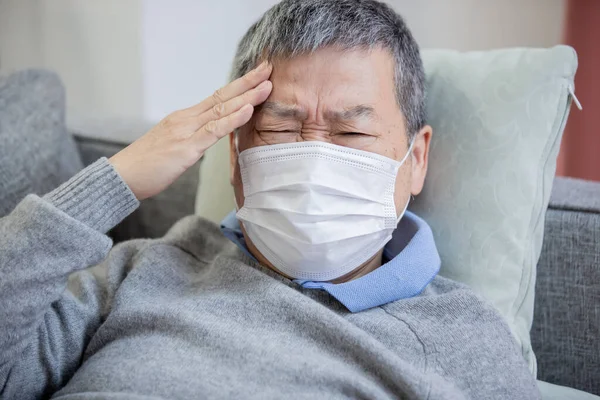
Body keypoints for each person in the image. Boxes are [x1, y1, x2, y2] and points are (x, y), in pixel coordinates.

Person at [0, 1, 540, 399]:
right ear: (234, 156)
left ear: (415, 160)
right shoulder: (141, 269)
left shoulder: (461, 337)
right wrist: (115, 180)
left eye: (351, 134)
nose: (313, 161)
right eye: (280, 129)